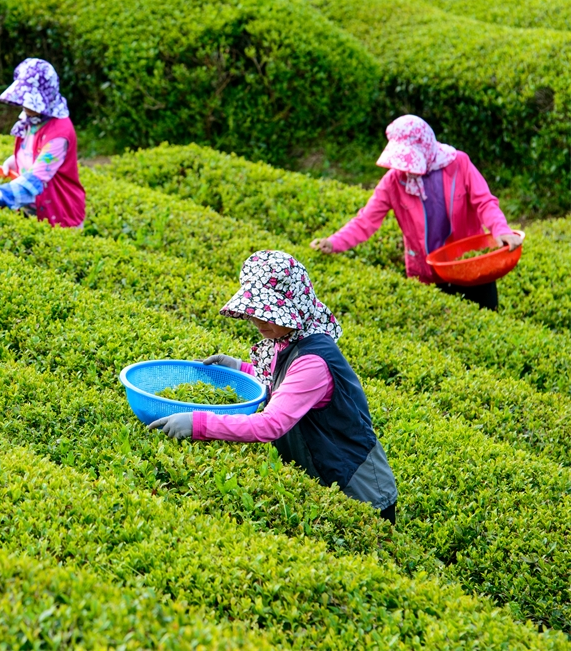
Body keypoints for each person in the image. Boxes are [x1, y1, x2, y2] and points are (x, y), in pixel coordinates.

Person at [149, 251, 399, 523]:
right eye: (255, 311)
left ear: (295, 309)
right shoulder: (291, 339)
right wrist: (238, 369)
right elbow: (282, 382)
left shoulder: (313, 362)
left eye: (267, 313)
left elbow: (270, 424)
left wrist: (198, 424)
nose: (257, 321)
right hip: (328, 478)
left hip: (361, 492)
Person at [310, 115, 522, 310]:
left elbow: (484, 201)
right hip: (428, 275)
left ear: (426, 147)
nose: (406, 168)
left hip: (471, 268)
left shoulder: (459, 164)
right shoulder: (393, 182)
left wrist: (501, 230)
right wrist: (333, 243)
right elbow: (366, 220)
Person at [0, 58, 86, 229]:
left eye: (31, 100)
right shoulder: (34, 118)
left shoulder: (59, 134)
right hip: (32, 210)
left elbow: (34, 182)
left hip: (60, 216)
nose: (25, 104)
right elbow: (34, 150)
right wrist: (16, 160)